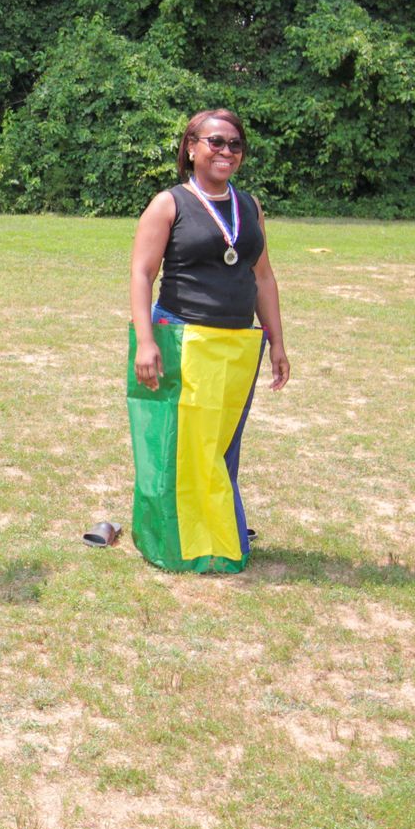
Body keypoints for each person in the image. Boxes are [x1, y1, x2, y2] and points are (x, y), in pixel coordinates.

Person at [126, 109, 288, 573]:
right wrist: (146, 341)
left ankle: (217, 535)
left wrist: (277, 342)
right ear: (191, 148)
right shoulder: (169, 204)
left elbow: (263, 276)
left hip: (236, 348)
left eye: (235, 144)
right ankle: (174, 540)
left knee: (219, 445)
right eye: (216, 142)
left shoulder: (249, 206)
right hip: (182, 338)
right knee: (178, 447)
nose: (226, 152)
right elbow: (141, 273)